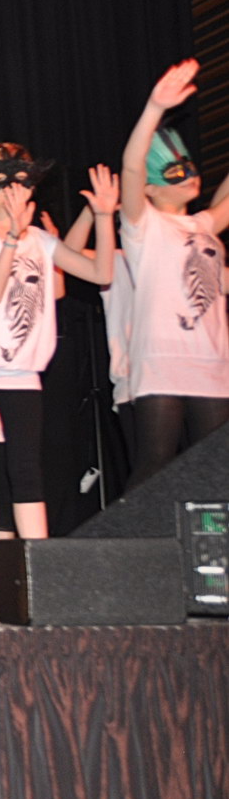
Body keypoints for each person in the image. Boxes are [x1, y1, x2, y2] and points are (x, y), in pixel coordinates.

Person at [0, 148, 115, 607]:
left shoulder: (42, 239)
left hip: (23, 370)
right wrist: (12, 237)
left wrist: (102, 216)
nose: (15, 190)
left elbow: (100, 272)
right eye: (4, 182)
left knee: (27, 470)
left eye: (23, 181)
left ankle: (38, 570)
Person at [116, 60, 229, 484]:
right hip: (163, 358)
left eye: (189, 168)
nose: (188, 176)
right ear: (149, 188)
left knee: (213, 472)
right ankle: (142, 531)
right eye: (173, 172)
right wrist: (155, 108)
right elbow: (131, 167)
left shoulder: (205, 225)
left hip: (212, 359)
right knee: (155, 464)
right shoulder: (144, 226)